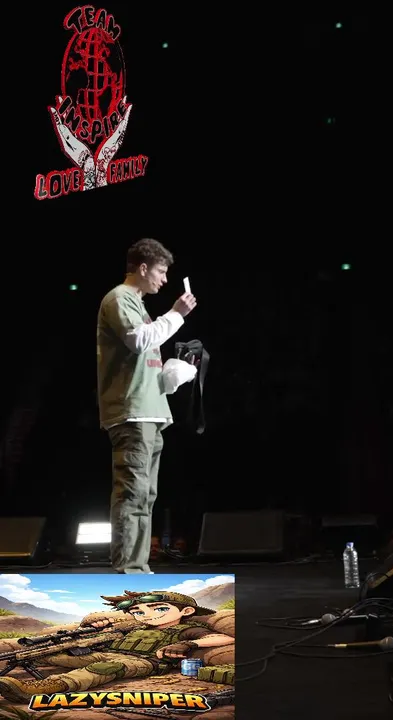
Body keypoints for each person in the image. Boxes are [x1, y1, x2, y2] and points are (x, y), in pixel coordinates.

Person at [97, 239, 198, 574]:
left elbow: (143, 360)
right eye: (161, 271)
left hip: (150, 412)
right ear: (143, 268)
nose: (165, 279)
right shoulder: (119, 298)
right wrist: (177, 314)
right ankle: (129, 570)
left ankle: (138, 567)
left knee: (145, 495)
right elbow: (139, 341)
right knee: (132, 493)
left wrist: (172, 374)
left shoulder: (139, 305)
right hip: (132, 413)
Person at [0, 590, 232, 702]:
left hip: (143, 661)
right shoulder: (133, 626)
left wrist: (188, 643)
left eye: (160, 609)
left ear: (186, 611)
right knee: (46, 655)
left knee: (104, 669)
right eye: (138, 611)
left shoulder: (187, 629)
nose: (146, 615)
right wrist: (100, 628)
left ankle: (40, 689)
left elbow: (223, 638)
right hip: (105, 652)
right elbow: (104, 633)